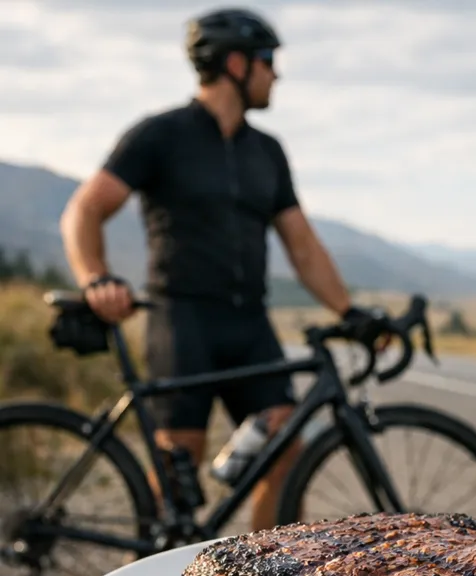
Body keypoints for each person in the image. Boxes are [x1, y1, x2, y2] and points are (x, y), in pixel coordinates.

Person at [60, 8, 372, 530]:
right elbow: (85, 210)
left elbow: (301, 244)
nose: (276, 74)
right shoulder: (161, 135)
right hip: (181, 319)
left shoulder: (267, 152)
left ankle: (271, 573)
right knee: (179, 470)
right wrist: (95, 277)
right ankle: (157, 575)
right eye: (268, 60)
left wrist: (350, 310)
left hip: (249, 320)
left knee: (284, 441)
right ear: (235, 63)